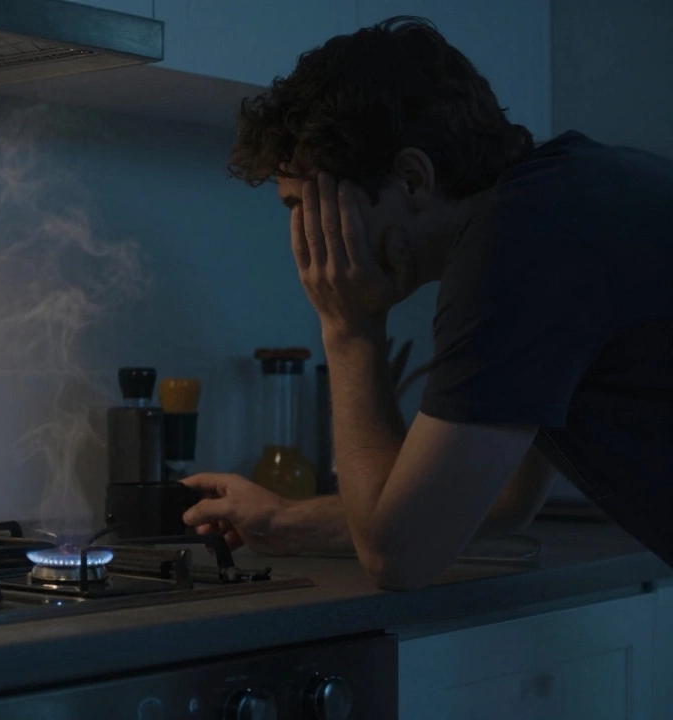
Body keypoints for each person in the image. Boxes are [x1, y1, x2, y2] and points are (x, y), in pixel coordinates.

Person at [180, 16, 673, 590]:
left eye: (310, 208)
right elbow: (497, 498)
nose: (306, 242)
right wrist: (285, 521)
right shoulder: (564, 194)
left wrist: (349, 329)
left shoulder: (517, 245)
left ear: (412, 179)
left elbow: (401, 557)